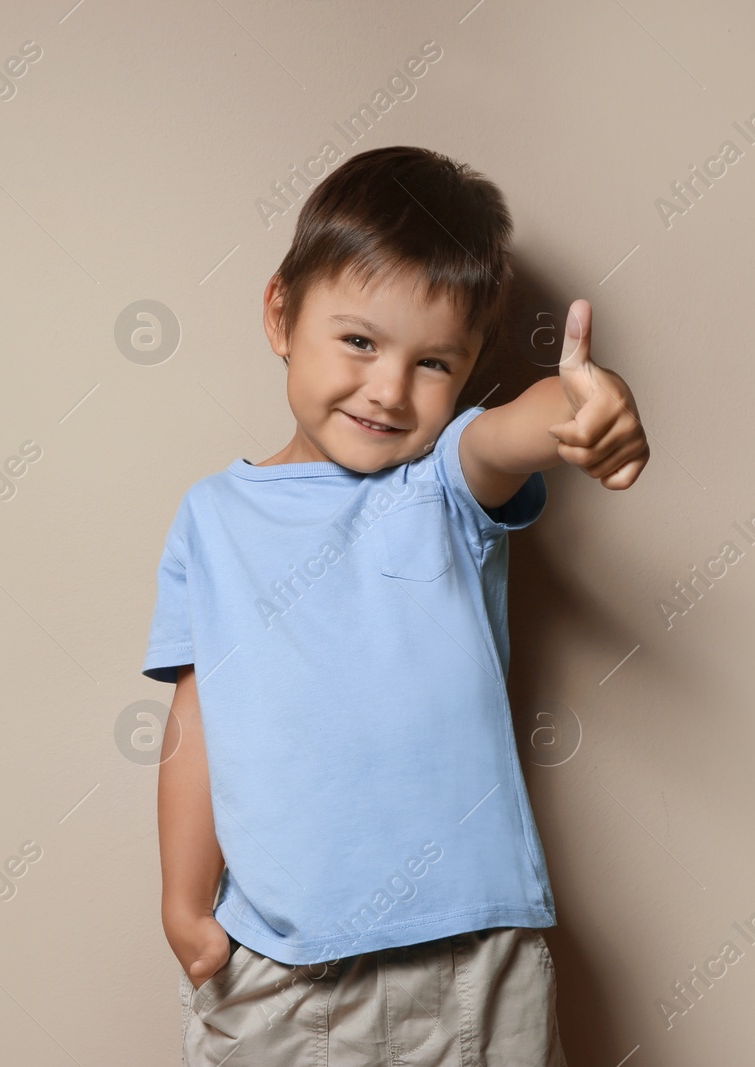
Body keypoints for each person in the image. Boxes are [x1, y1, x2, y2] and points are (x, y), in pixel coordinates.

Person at [142, 144, 648, 1065]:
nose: (387, 388)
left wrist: (583, 406)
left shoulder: (439, 485)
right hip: (281, 961)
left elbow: (509, 433)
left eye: (433, 363)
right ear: (281, 315)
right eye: (360, 341)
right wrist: (183, 900)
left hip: (472, 955)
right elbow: (196, 714)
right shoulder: (212, 519)